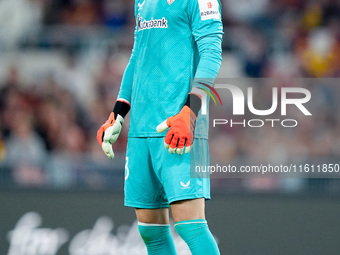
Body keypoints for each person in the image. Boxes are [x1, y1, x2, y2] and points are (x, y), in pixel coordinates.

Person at [97, 0, 223, 254]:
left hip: (180, 127)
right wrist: (118, 112)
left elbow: (211, 52)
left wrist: (191, 111)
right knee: (151, 232)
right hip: (141, 129)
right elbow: (137, 56)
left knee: (191, 226)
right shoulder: (142, 1)